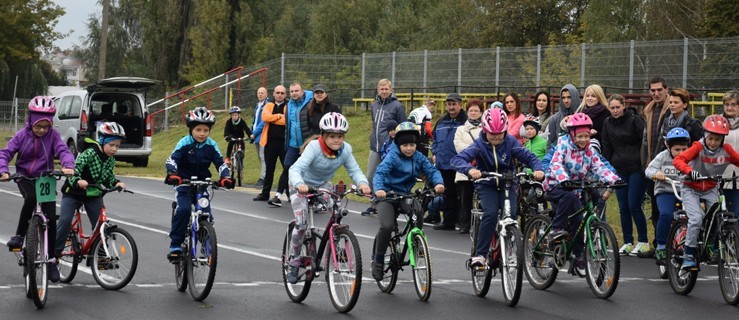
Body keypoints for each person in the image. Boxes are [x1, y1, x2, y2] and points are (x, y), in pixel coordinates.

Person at [451, 108, 544, 267]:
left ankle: (509, 249)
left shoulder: (510, 143)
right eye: (492, 134)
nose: (496, 137)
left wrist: (538, 168)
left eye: (500, 133)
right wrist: (471, 170)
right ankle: (480, 255)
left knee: (511, 214)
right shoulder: (479, 145)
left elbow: (528, 156)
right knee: (491, 213)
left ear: (505, 131)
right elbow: (457, 160)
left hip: (508, 182)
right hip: (486, 184)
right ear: (485, 131)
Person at [286, 112, 372, 284]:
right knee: (301, 224)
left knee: (337, 208)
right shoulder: (313, 148)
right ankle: (294, 261)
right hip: (300, 184)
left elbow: (354, 170)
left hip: (322, 184)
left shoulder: (346, 150)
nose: (337, 140)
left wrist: (363, 184)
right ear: (323, 136)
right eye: (332, 136)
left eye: (340, 136)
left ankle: (337, 243)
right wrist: (299, 184)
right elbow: (294, 169)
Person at [0, 96, 75, 283]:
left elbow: (63, 151)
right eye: (38, 126)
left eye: (46, 126)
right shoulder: (21, 136)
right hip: (24, 176)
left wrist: (68, 164)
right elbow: (6, 153)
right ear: (31, 120)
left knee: (49, 217)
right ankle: (19, 235)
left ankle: (50, 261)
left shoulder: (54, 136)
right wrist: (3, 170)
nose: (42, 130)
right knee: (31, 198)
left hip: (46, 177)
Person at [543, 113, 621, 269]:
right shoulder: (563, 145)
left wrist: (614, 179)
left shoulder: (589, 150)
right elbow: (556, 164)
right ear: (572, 135)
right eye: (580, 136)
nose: (583, 140)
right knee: (570, 199)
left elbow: (600, 167)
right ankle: (555, 229)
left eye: (586, 136)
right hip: (556, 184)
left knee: (579, 220)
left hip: (576, 187)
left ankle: (578, 255)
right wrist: (564, 180)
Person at [371, 122, 445, 280]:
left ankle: (417, 244)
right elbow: (380, 173)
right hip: (387, 195)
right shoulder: (392, 156)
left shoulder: (418, 157)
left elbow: (431, 170)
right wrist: (379, 189)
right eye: (405, 145)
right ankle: (378, 260)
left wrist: (439, 183)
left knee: (417, 211)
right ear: (399, 144)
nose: (409, 148)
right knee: (387, 226)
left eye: (412, 144)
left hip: (404, 194)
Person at [164, 107, 234, 261]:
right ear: (191, 129)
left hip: (202, 183)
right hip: (184, 183)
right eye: (198, 130)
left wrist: (225, 176)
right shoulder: (184, 142)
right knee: (183, 210)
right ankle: (176, 244)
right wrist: (172, 173)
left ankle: (206, 241)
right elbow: (172, 160)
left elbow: (220, 163)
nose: (202, 133)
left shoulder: (211, 145)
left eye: (205, 130)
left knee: (205, 213)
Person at [673, 115, 739, 269]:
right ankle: (689, 254)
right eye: (710, 138)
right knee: (696, 219)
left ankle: (712, 245)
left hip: (710, 187)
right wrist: (689, 171)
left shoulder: (726, 150)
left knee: (720, 216)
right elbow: (678, 160)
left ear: (723, 139)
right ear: (705, 136)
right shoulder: (698, 147)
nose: (713, 142)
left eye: (717, 139)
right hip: (691, 187)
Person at [56, 122, 127, 261]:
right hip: (73, 193)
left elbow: (108, 178)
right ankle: (55, 254)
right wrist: (77, 181)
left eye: (117, 146)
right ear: (102, 141)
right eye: (111, 145)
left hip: (93, 193)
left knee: (101, 225)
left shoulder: (110, 160)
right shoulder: (89, 153)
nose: (114, 149)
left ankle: (101, 257)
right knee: (65, 221)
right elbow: (74, 169)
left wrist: (116, 183)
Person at [601, 94, 649, 255]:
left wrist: (644, 165)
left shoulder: (635, 120)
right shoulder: (607, 123)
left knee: (634, 205)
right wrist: (607, 169)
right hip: (619, 169)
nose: (615, 111)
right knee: (623, 207)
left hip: (636, 168)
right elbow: (607, 147)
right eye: (612, 108)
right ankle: (628, 241)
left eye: (617, 107)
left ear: (624, 106)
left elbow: (644, 142)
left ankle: (643, 240)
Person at [644, 127, 691, 263]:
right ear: (668, 147)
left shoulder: (691, 157)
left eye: (684, 149)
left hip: (686, 191)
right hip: (666, 191)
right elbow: (649, 170)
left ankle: (693, 244)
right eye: (677, 150)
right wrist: (656, 174)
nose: (681, 152)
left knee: (695, 215)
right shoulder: (662, 156)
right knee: (666, 214)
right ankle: (661, 245)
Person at [363, 79, 407, 216]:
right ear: (378, 90)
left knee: (387, 176)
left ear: (391, 89)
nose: (384, 91)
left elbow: (403, 126)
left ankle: (388, 205)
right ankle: (373, 204)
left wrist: (397, 144)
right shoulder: (374, 105)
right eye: (381, 89)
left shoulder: (398, 106)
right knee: (371, 175)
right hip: (375, 146)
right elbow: (375, 123)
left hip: (390, 148)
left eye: (386, 89)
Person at [639, 76, 670, 258]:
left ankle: (667, 243)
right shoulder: (649, 110)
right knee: (656, 210)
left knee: (668, 209)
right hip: (652, 166)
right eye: (653, 90)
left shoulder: (670, 110)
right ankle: (658, 244)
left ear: (666, 89)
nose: (656, 93)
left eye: (659, 90)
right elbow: (645, 140)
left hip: (668, 166)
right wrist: (646, 164)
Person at [430, 92, 468, 230]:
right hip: (443, 163)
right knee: (448, 193)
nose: (451, 107)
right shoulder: (441, 121)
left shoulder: (466, 121)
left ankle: (463, 221)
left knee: (463, 195)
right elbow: (434, 140)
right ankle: (449, 221)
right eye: (449, 104)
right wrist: (435, 153)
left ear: (460, 105)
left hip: (460, 164)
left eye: (454, 104)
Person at [279, 82, 314, 205]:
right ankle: (287, 194)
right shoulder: (288, 106)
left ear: (302, 91)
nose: (294, 93)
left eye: (296, 91)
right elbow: (288, 125)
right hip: (293, 144)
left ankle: (312, 197)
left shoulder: (310, 103)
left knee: (307, 171)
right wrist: (287, 142)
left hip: (306, 144)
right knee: (288, 167)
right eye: (292, 91)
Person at [453, 99, 484, 234]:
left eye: (476, 110)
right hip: (465, 168)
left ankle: (481, 225)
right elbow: (458, 146)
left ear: (481, 112)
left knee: (482, 198)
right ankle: (465, 224)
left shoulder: (486, 129)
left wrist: (475, 151)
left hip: (482, 167)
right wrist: (476, 150)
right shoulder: (461, 129)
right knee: (465, 198)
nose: (473, 113)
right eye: (471, 110)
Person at [254, 85, 288, 205]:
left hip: (284, 143)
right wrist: (279, 116)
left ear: (285, 94)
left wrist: (273, 119)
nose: (279, 95)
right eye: (277, 92)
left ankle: (289, 193)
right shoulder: (269, 105)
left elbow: (287, 121)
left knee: (287, 169)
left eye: (282, 93)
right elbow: (265, 118)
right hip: (270, 142)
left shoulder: (288, 106)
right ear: (273, 94)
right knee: (269, 169)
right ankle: (265, 193)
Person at [656, 88, 703, 155]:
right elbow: (661, 144)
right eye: (670, 102)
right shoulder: (666, 121)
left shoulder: (693, 124)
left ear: (685, 105)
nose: (672, 105)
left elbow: (699, 147)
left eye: (676, 102)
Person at [721, 90, 739, 216]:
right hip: (721, 173)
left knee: (737, 211)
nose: (729, 108)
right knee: (722, 210)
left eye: (733, 104)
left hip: (738, 175)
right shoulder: (717, 122)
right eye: (727, 104)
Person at [546, 84, 581, 149]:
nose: (566, 101)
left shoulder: (582, 117)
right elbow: (550, 143)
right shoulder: (554, 119)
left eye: (569, 97)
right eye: (563, 98)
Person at [251, 87, 269, 186]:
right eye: (259, 93)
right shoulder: (257, 106)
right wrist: (251, 130)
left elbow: (263, 122)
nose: (260, 94)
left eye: (262, 93)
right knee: (260, 156)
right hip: (256, 136)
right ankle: (263, 175)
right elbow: (254, 120)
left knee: (263, 156)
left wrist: (255, 132)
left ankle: (263, 177)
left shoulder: (267, 105)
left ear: (266, 94)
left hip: (262, 135)